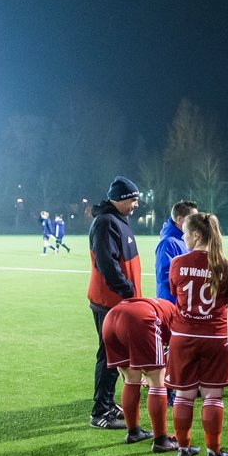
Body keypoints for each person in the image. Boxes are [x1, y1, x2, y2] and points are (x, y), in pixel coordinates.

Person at [167, 212, 228, 456]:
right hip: (215, 337)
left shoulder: (177, 263)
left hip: (183, 335)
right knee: (212, 396)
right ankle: (213, 451)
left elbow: (176, 293)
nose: (183, 237)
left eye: (186, 233)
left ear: (196, 235)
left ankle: (183, 448)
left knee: (184, 395)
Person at [86, 177, 143, 429]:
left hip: (119, 301)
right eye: (133, 199)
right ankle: (100, 412)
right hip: (110, 301)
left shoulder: (116, 220)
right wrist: (127, 290)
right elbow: (106, 264)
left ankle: (107, 405)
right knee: (108, 355)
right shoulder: (106, 222)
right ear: (120, 199)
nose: (136, 204)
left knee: (114, 355)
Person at [101, 296, 180, 451]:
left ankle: (133, 432)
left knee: (130, 379)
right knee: (157, 380)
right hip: (140, 319)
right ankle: (161, 440)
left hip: (111, 318)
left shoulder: (166, 307)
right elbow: (175, 351)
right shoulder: (179, 319)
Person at [155, 200, 198, 302]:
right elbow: (165, 276)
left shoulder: (184, 238)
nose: (196, 222)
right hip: (172, 302)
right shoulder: (168, 242)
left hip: (183, 300)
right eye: (192, 218)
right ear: (179, 219)